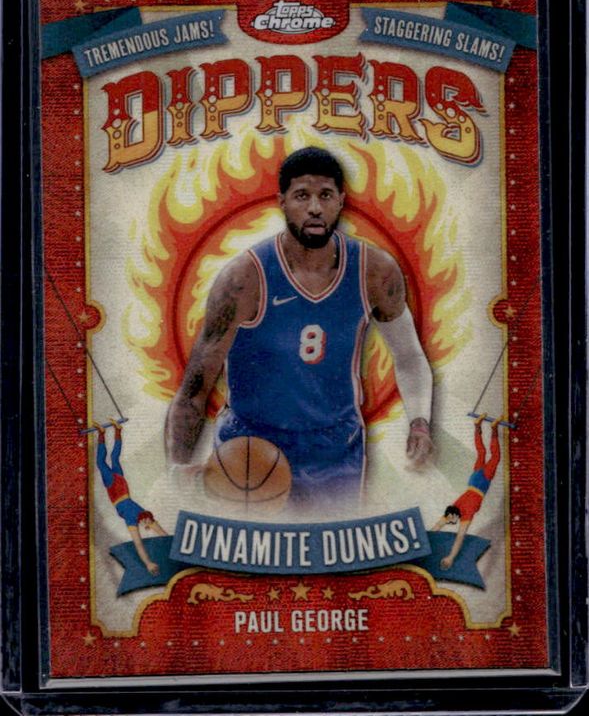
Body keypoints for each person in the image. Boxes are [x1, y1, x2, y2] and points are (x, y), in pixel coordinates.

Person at [165, 146, 434, 507]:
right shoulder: (244, 279)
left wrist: (419, 421)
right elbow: (195, 388)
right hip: (251, 446)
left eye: (325, 195)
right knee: (242, 544)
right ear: (282, 202)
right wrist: (176, 471)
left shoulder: (375, 272)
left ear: (341, 201)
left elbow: (409, 356)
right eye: (302, 195)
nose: (315, 208)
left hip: (335, 452)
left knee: (335, 544)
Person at [431, 413, 502, 569]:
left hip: (481, 483)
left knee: (495, 457)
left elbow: (459, 537)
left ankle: (494, 428)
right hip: (473, 479)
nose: (451, 522)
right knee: (482, 453)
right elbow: (437, 527)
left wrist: (451, 557)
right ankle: (477, 426)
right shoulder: (454, 507)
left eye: (451, 519)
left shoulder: (465, 514)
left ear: (454, 515)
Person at [95, 420, 166, 574]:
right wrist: (148, 563)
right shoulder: (137, 518)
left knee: (114, 459)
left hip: (121, 487)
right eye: (148, 523)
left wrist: (149, 564)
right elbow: (144, 541)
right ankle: (102, 433)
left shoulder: (140, 516)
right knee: (101, 463)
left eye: (147, 524)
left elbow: (160, 536)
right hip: (116, 489)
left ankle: (117, 430)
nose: (147, 526)